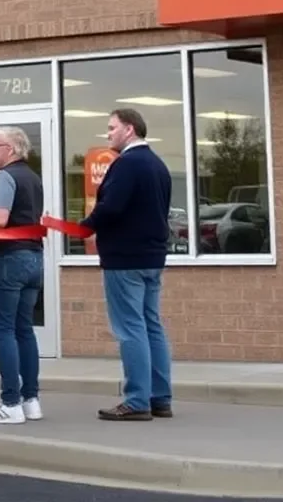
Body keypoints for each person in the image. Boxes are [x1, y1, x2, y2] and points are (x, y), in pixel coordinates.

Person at [81, 107, 173, 421]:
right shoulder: (158, 165)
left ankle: (136, 400)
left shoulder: (127, 165)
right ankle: (160, 397)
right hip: (152, 257)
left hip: (125, 259)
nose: (108, 134)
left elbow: (111, 208)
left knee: (130, 328)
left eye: (112, 128)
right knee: (151, 325)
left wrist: (85, 226)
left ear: (129, 129)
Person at [0, 125, 45, 426]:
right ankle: (31, 401)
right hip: (33, 259)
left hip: (7, 260)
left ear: (11, 150)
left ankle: (10, 403)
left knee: (3, 331)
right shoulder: (33, 178)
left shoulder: (5, 177)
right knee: (24, 330)